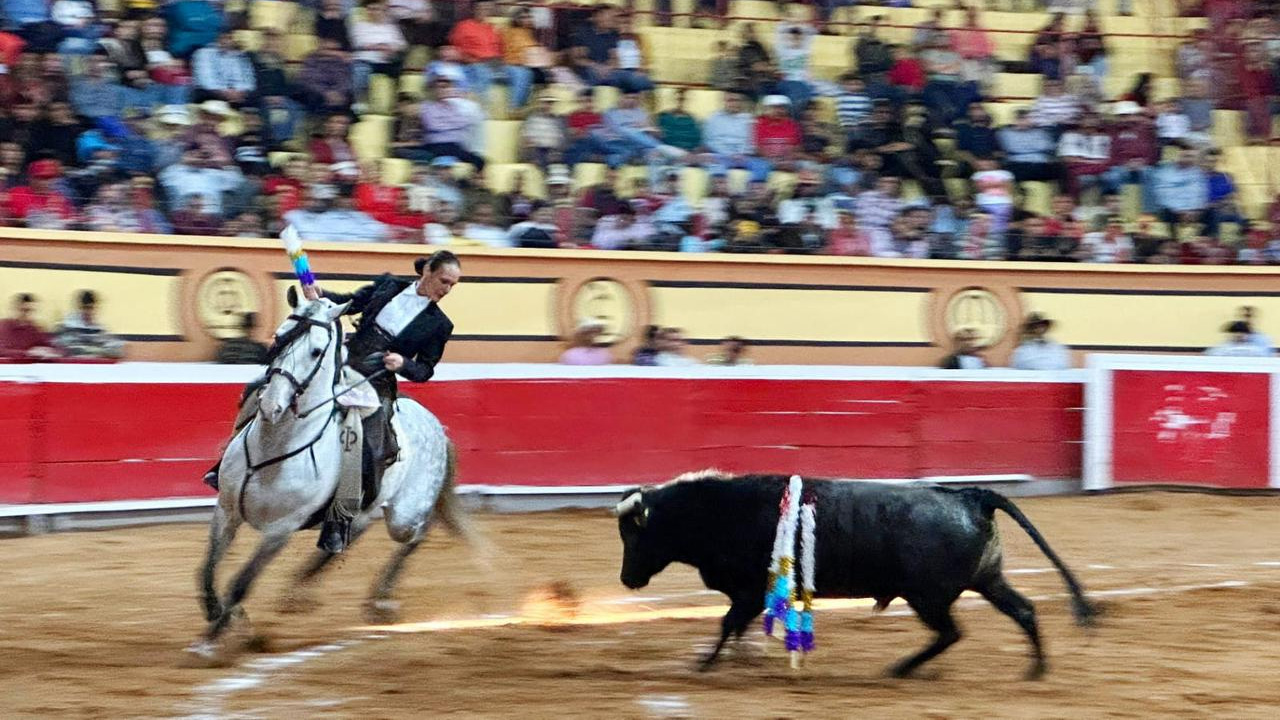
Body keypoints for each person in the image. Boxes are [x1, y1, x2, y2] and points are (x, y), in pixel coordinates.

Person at [205, 251, 461, 554]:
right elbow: (350, 301)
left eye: (451, 286)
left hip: (375, 382)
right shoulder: (389, 286)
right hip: (340, 362)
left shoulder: (440, 325)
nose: (446, 290)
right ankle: (226, 465)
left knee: (367, 441)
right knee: (260, 388)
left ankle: (340, 518)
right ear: (428, 271)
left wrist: (403, 363)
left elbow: (425, 369)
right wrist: (320, 294)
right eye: (444, 281)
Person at [53, 290, 125, 359]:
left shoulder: (99, 329)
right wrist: (98, 351)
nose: (88, 312)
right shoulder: (67, 326)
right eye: (85, 308)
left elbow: (117, 352)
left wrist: (93, 351)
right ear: (79, 308)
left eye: (91, 308)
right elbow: (65, 350)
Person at [0, 293, 60, 360]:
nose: (27, 314)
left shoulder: (34, 328)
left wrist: (49, 351)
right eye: (24, 310)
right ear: (15, 308)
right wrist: (29, 353)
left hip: (30, 368)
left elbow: (51, 347)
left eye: (31, 310)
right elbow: (2, 350)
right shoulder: (3, 326)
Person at [1205, 321, 1272, 357]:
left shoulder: (1255, 350)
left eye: (1242, 332)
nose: (1238, 335)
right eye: (1235, 332)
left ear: (1248, 335)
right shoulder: (1222, 349)